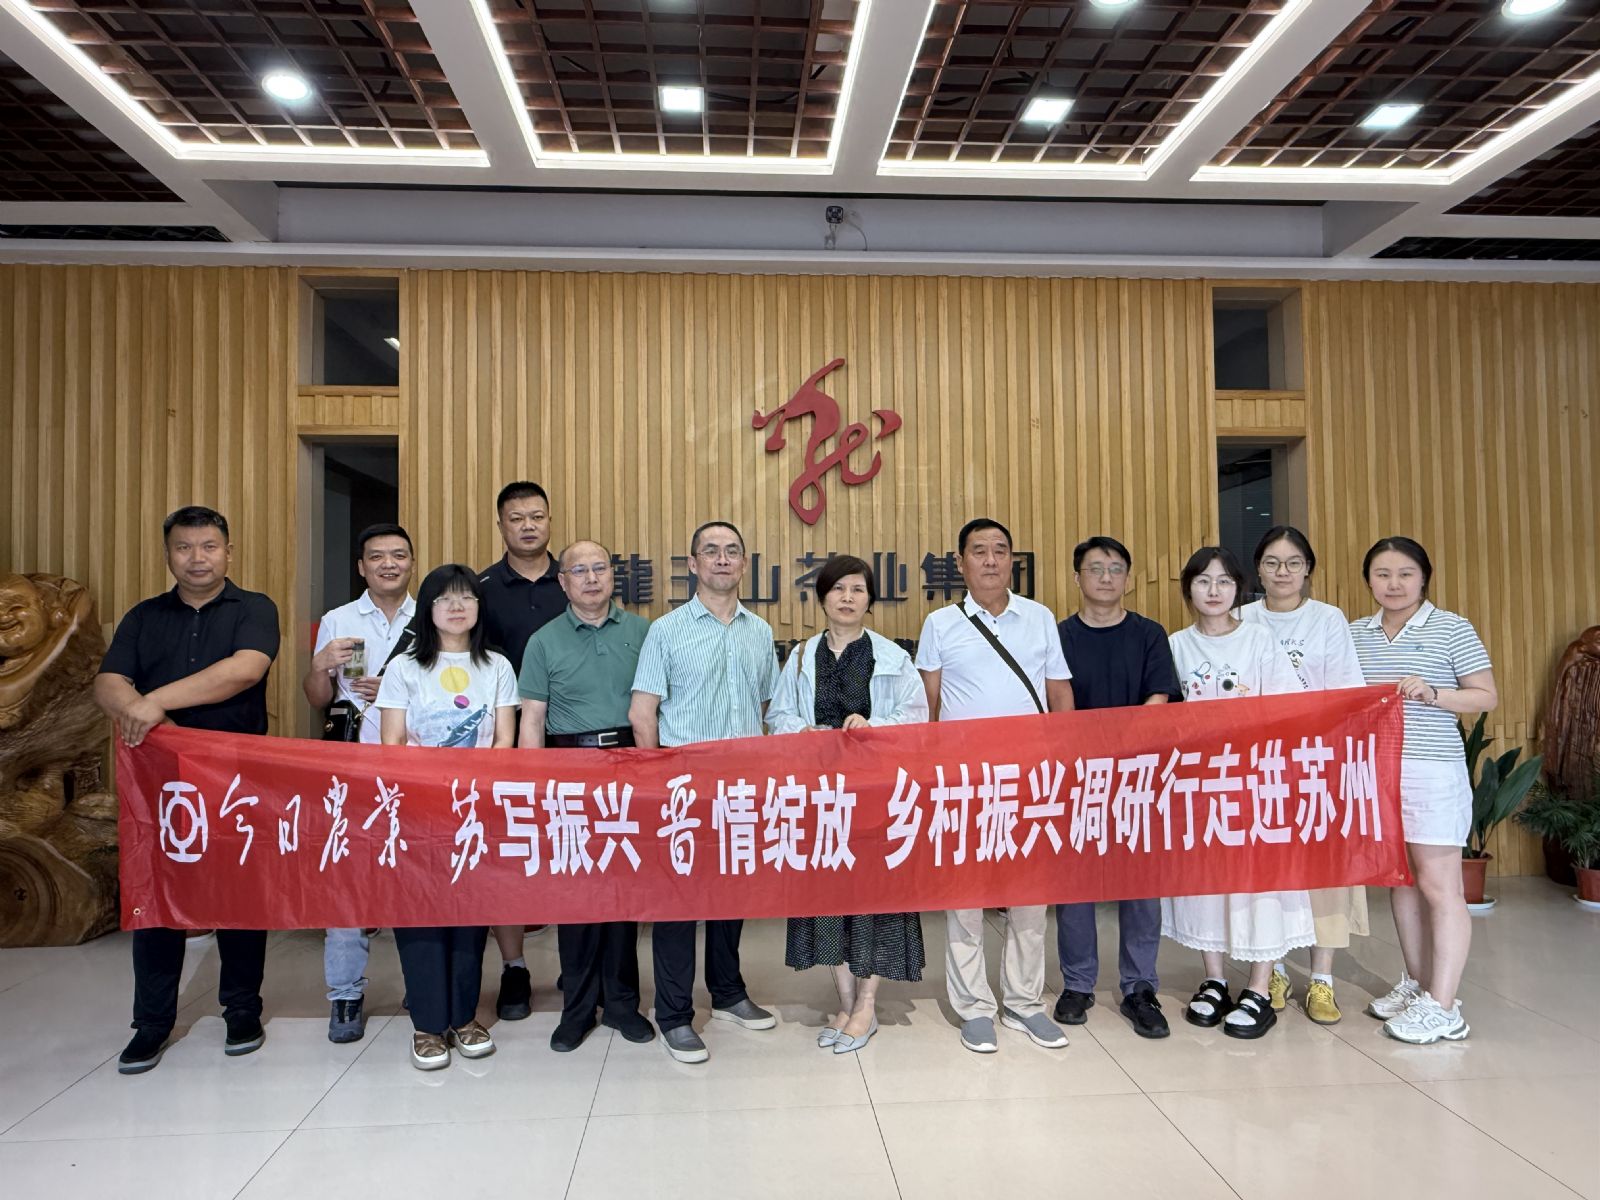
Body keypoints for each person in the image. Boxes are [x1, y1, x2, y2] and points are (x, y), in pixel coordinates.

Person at [95, 506, 279, 1074]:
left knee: (239, 894)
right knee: (159, 896)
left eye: (208, 546)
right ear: (168, 554)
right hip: (161, 777)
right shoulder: (144, 616)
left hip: (235, 778)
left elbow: (245, 669)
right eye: (184, 547)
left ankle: (242, 1010)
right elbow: (108, 682)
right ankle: (151, 1023)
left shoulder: (254, 608)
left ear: (228, 552)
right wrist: (147, 716)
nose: (197, 558)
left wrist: (154, 703)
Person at [914, 518, 1073, 1054]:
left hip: (1030, 779)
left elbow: (1059, 693)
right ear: (960, 563)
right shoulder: (940, 623)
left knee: (1030, 897)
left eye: (999, 550)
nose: (990, 559)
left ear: (1012, 561)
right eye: (978, 551)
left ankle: (1025, 1002)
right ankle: (974, 1007)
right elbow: (927, 704)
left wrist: (1064, 762)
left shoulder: (1039, 618)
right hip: (964, 781)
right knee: (965, 897)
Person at [629, 520, 780, 1063]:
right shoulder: (666, 630)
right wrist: (657, 782)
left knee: (730, 897)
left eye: (732, 551)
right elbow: (642, 713)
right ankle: (673, 1015)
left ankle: (728, 993)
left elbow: (769, 707)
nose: (722, 559)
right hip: (682, 786)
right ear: (692, 564)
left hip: (740, 785)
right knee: (678, 903)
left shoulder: (759, 632)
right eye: (710, 551)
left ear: (744, 564)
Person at [768, 555, 928, 1054]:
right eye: (838, 589)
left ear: (870, 600)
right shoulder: (801, 657)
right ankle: (844, 1000)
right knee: (829, 897)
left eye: (858, 589)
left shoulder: (891, 656)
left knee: (874, 897)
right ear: (822, 598)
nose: (847, 598)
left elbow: (917, 717)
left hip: (875, 799)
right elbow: (777, 717)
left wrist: (874, 727)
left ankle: (867, 1005)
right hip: (822, 800)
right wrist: (803, 732)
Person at [1162, 546, 1312, 1040]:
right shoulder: (1176, 645)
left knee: (1258, 883)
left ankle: (1259, 988)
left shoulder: (1259, 639)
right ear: (1188, 589)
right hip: (1199, 784)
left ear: (1238, 589)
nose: (1214, 591)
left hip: (1255, 781)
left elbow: (1289, 710)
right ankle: (1214, 979)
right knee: (1207, 882)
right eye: (1203, 581)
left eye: (1224, 581)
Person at [1350, 537, 1496, 1044]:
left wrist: (1435, 694)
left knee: (1440, 887)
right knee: (1402, 882)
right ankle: (1418, 984)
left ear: (1423, 578)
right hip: (1377, 774)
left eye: (1405, 574)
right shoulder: (1356, 633)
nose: (1393, 584)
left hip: (1431, 773)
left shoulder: (1451, 627)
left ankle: (1445, 1005)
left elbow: (1486, 696)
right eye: (1382, 574)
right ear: (1368, 580)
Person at [376, 563, 518, 1070]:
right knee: (420, 916)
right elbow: (392, 743)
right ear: (428, 608)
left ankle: (464, 1017)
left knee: (469, 916)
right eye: (444, 599)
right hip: (418, 812)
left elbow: (504, 741)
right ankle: (427, 1024)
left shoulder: (497, 666)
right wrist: (430, 793)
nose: (457, 607)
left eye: (467, 598)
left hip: (475, 811)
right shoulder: (404, 668)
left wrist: (473, 794)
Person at [518, 539, 656, 1053]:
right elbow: (532, 720)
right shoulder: (543, 641)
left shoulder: (644, 632)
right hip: (567, 773)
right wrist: (533, 789)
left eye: (600, 568)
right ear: (563, 581)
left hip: (630, 768)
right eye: (580, 570)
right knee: (575, 897)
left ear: (613, 576)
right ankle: (576, 1009)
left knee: (623, 894)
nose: (592, 578)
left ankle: (622, 1004)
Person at [1240, 525, 1368, 1025]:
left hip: (1316, 762)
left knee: (1323, 871)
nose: (1283, 572)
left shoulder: (1328, 619)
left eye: (1293, 563)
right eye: (1272, 563)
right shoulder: (1241, 618)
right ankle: (1268, 969)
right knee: (1267, 870)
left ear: (1308, 569)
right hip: (1257, 765)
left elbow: (1345, 693)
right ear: (1258, 569)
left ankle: (1321, 979)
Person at [1053, 536, 1179, 1039]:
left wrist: (1121, 750)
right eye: (1095, 568)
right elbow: (1052, 703)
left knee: (1141, 886)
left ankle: (1140, 987)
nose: (1106, 578)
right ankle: (1077, 984)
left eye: (1115, 569)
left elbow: (1160, 697)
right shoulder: (1058, 636)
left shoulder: (1149, 634)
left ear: (1127, 578)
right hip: (1076, 778)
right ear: (1077, 577)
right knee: (1074, 886)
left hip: (1138, 776)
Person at [302, 522, 416, 1044]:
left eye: (398, 555)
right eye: (377, 556)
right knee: (346, 878)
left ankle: (422, 983)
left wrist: (397, 688)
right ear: (361, 567)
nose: (388, 564)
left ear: (411, 562)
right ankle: (345, 993)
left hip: (414, 767)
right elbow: (317, 698)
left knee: (417, 877)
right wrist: (320, 666)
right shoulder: (338, 619)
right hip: (351, 767)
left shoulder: (430, 617)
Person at [477, 480, 567, 1021]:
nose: (528, 526)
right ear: (501, 526)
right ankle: (514, 968)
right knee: (506, 858)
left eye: (537, 516)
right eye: (516, 518)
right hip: (504, 743)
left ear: (550, 521)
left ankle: (577, 963)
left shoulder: (574, 580)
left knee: (573, 851)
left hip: (573, 741)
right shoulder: (481, 589)